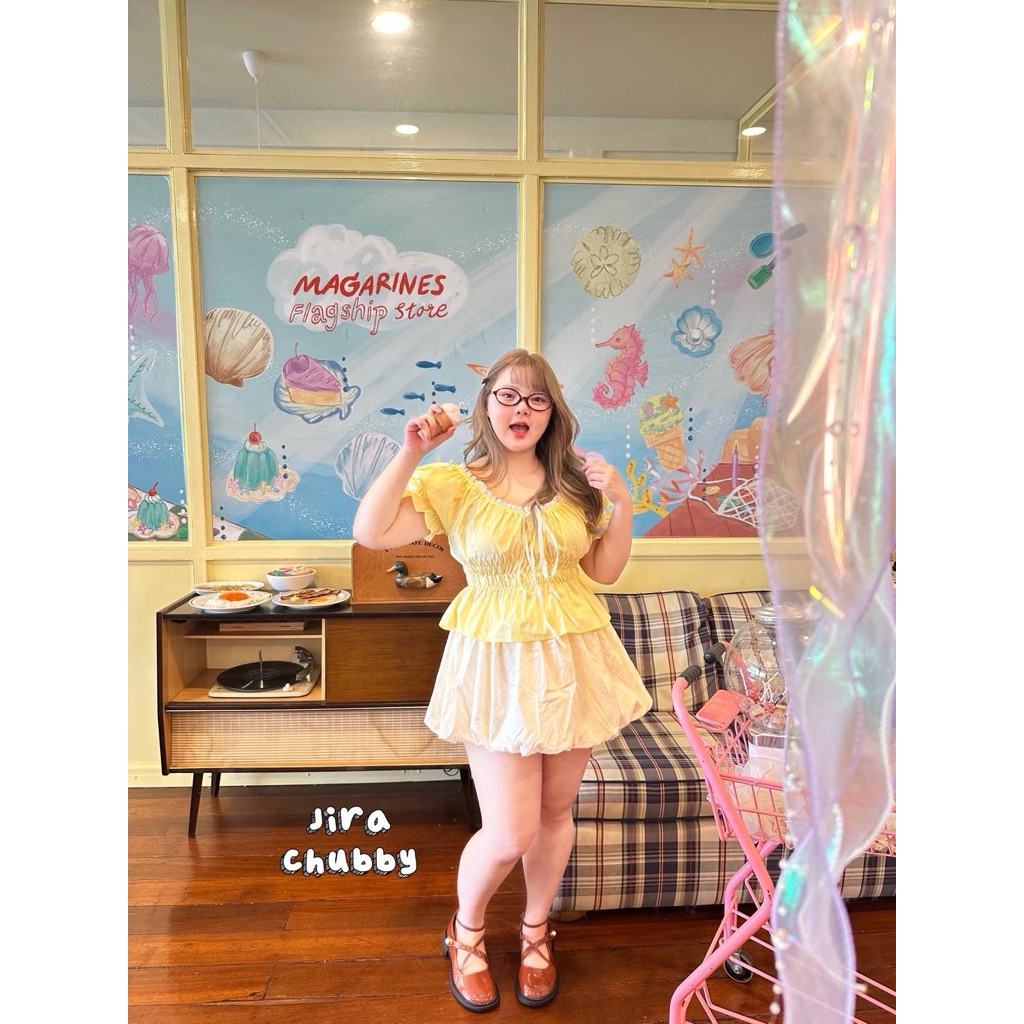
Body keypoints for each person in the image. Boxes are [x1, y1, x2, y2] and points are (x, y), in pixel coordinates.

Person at [352, 349, 652, 1012]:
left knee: (554, 813)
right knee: (510, 832)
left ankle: (536, 930)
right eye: (509, 396)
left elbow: (604, 571)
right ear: (487, 404)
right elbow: (370, 533)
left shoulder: (575, 486)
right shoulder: (455, 484)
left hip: (572, 661)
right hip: (496, 668)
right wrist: (410, 453)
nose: (522, 409)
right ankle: (466, 933)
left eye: (537, 399)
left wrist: (622, 501)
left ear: (552, 412)